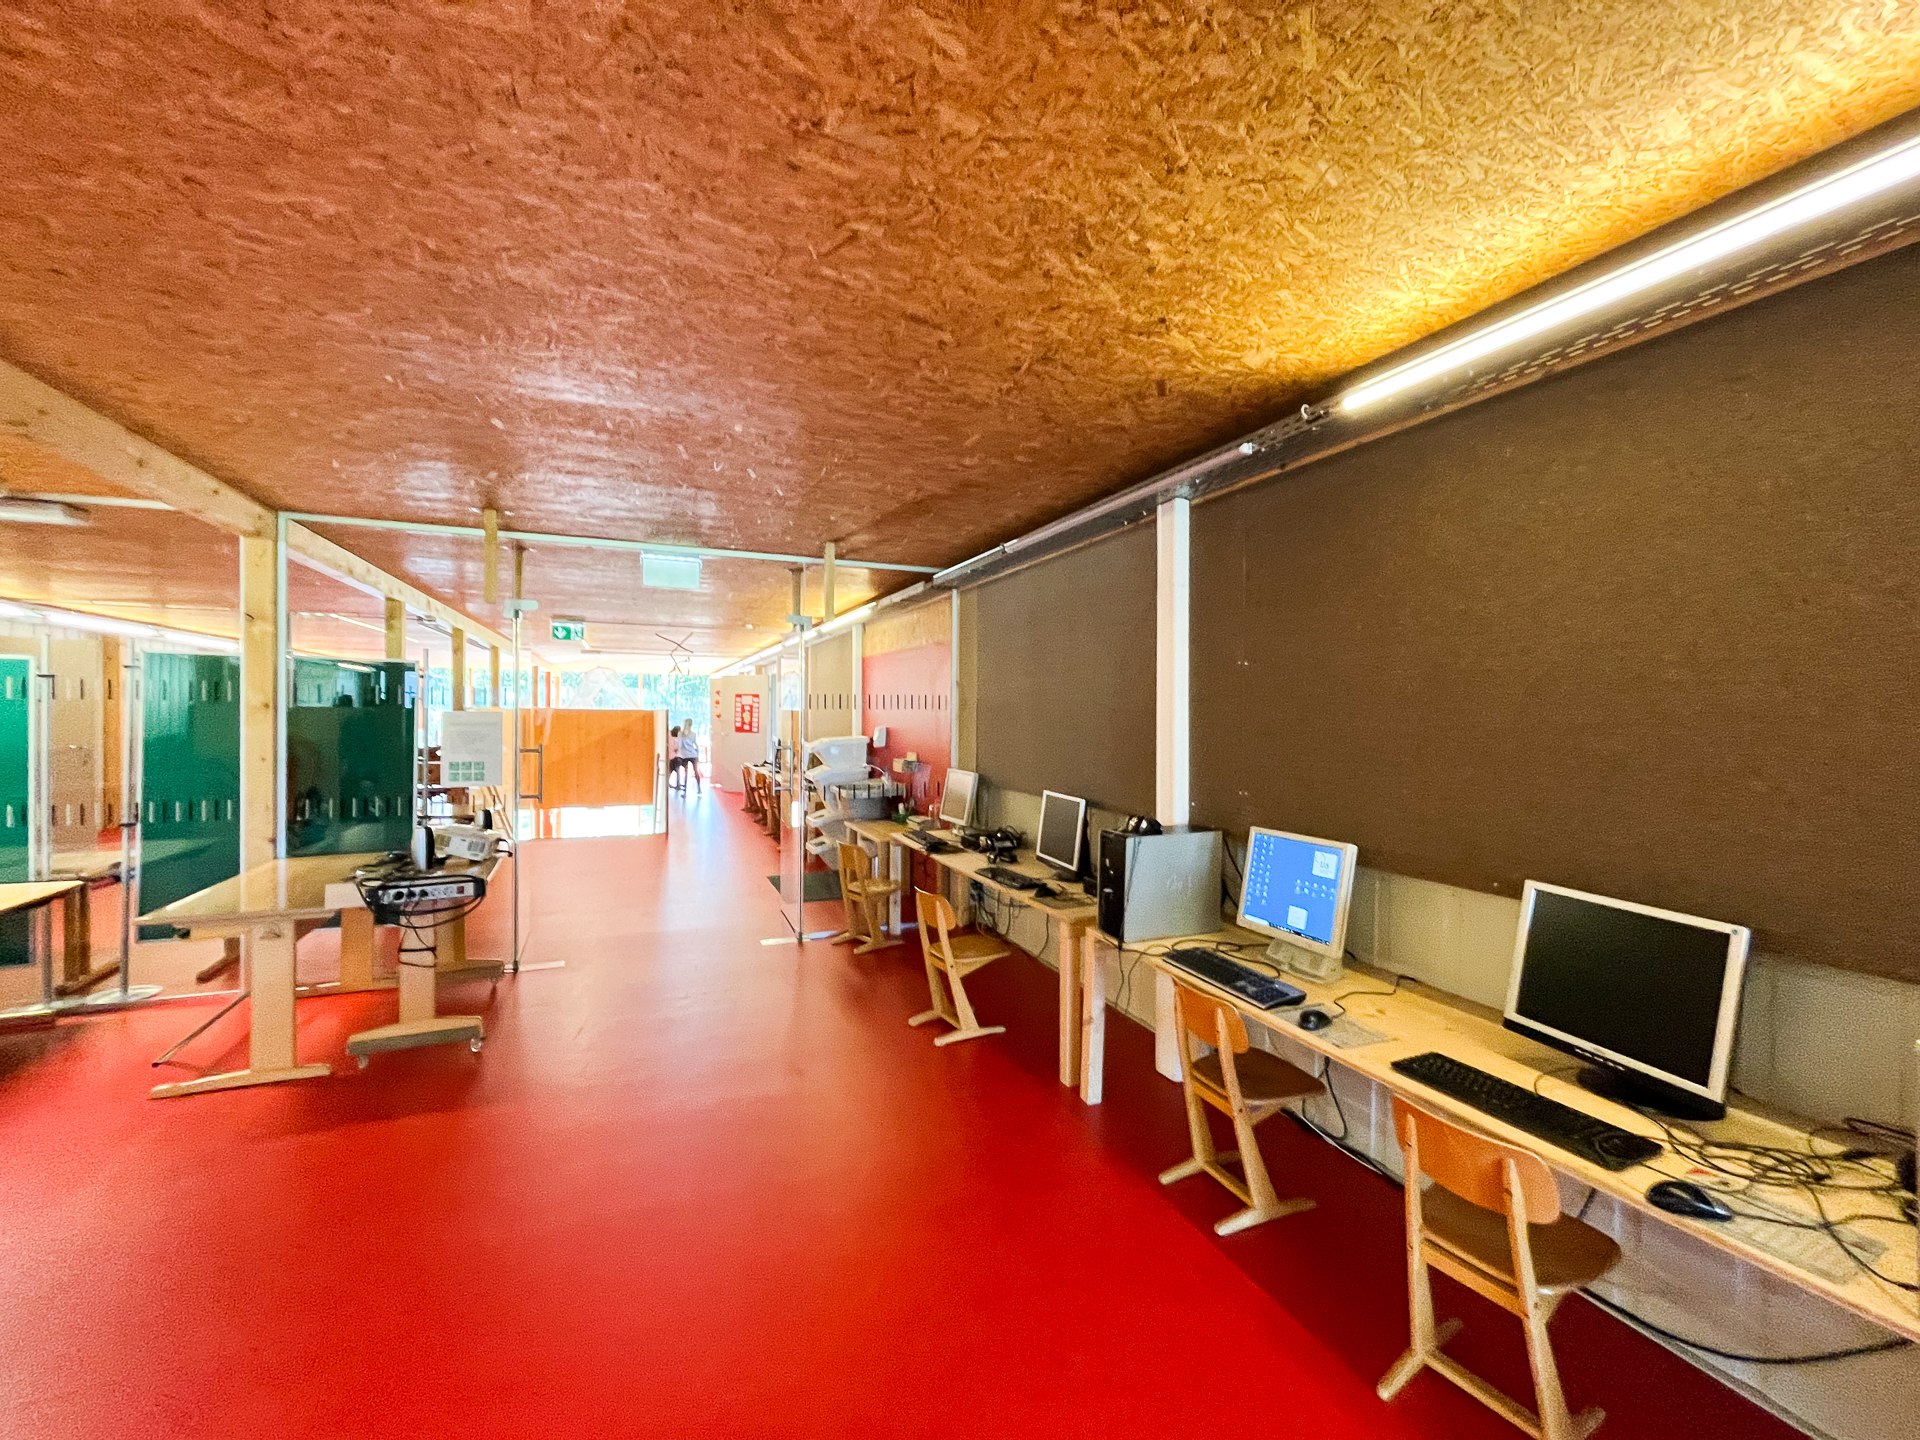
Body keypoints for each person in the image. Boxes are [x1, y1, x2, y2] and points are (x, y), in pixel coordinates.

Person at [676, 723, 703, 792]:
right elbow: (695, 744)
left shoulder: (680, 734)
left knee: (685, 773)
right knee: (695, 771)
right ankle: (699, 789)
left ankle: (685, 791)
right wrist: (698, 754)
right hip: (693, 754)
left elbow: (680, 745)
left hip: (684, 755)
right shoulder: (693, 734)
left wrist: (678, 753)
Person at [667, 725, 687, 791]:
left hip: (670, 757)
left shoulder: (669, 737)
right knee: (677, 772)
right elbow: (678, 748)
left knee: (670, 772)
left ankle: (667, 783)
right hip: (676, 757)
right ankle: (678, 785)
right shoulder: (678, 740)